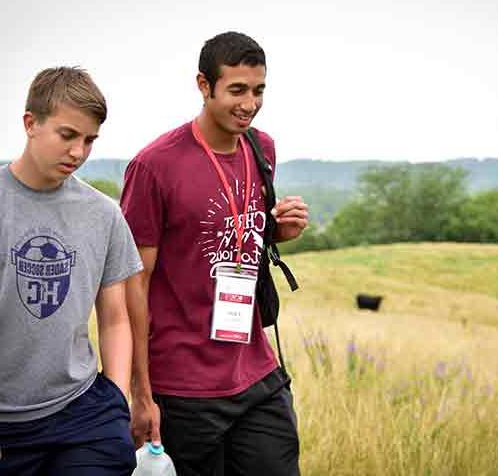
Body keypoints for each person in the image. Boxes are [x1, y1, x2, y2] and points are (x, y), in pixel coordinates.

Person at [121, 32, 309, 476]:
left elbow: (238, 234)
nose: (250, 103)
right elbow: (134, 284)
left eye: (258, 90)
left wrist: (277, 230)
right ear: (204, 86)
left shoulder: (261, 148)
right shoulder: (154, 166)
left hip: (256, 371)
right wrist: (141, 394)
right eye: (237, 90)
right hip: (183, 389)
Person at [0, 67, 143, 475]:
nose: (79, 152)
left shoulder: (104, 214)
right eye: (68, 135)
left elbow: (115, 317)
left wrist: (117, 398)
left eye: (89, 140)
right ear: (31, 123)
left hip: (82, 416)